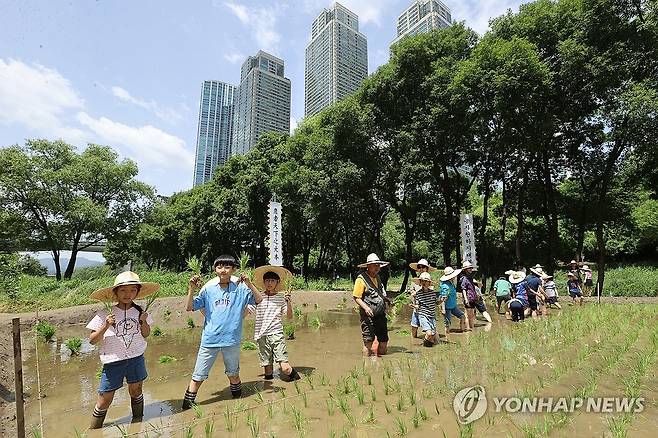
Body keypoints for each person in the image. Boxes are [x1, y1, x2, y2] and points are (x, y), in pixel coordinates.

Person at [182, 255, 263, 409]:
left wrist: (249, 283)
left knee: (233, 374)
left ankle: (238, 405)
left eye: (227, 267)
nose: (223, 270)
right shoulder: (208, 289)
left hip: (231, 340)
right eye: (219, 267)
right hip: (209, 340)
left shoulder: (241, 288)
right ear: (215, 270)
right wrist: (191, 288)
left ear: (234, 270)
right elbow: (190, 307)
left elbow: (259, 300)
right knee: (198, 375)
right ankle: (186, 407)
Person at [86, 271, 159, 429]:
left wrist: (143, 322)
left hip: (136, 358)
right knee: (105, 397)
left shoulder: (140, 312)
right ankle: (93, 429)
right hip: (113, 361)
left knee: (136, 389)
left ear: (138, 292)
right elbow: (92, 340)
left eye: (133, 290)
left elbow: (146, 334)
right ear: (115, 292)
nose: (128, 294)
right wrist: (106, 325)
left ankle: (138, 423)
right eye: (123, 290)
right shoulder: (105, 314)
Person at [252, 265, 301, 381]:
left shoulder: (281, 298)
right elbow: (248, 310)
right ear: (263, 282)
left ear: (277, 282)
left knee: (285, 369)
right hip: (261, 335)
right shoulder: (258, 297)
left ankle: (299, 383)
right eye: (267, 280)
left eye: (272, 280)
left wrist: (288, 302)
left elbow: (289, 316)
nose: (269, 283)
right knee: (268, 373)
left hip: (276, 334)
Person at [353, 253, 392, 357]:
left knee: (384, 340)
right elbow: (356, 297)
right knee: (368, 341)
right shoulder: (361, 279)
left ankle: (381, 363)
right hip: (368, 315)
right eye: (374, 265)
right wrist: (366, 308)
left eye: (378, 265)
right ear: (368, 266)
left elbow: (378, 292)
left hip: (380, 314)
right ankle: (366, 366)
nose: (377, 267)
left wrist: (386, 299)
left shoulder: (378, 277)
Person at [407, 258, 437, 339]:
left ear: (427, 268)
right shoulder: (415, 281)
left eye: (423, 267)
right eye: (419, 267)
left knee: (430, 329)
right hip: (416, 308)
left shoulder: (429, 282)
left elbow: (432, 298)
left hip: (426, 310)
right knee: (414, 327)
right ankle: (413, 343)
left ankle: (429, 339)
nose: (421, 269)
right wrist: (412, 294)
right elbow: (411, 292)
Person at [411, 272, 439, 347]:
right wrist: (414, 306)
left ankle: (426, 348)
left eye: (426, 281)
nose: (424, 283)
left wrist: (442, 300)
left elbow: (436, 303)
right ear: (420, 282)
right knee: (429, 333)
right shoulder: (418, 293)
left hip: (432, 316)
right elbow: (418, 305)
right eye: (422, 281)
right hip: (423, 315)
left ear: (429, 283)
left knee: (433, 338)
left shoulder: (433, 293)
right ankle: (424, 347)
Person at [439, 266, 466, 339]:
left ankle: (463, 332)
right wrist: (443, 309)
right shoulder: (446, 286)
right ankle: (447, 337)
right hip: (447, 307)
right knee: (447, 324)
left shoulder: (451, 283)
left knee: (462, 316)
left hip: (453, 306)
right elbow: (443, 298)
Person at [459, 261, 478, 329]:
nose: (470, 269)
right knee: (467, 314)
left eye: (471, 268)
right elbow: (463, 289)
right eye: (469, 268)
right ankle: (468, 329)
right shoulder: (464, 278)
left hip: (472, 298)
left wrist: (476, 295)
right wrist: (466, 299)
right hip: (468, 298)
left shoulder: (470, 277)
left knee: (472, 315)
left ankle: (472, 329)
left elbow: (472, 288)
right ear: (465, 270)